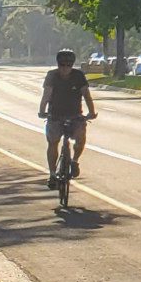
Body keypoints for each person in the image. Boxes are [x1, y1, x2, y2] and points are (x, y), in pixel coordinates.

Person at [38, 49, 95, 188]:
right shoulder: (52, 76)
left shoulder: (78, 76)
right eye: (62, 65)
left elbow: (86, 95)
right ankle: (52, 174)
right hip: (55, 115)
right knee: (53, 142)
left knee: (81, 136)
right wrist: (42, 111)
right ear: (58, 65)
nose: (65, 68)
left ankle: (74, 161)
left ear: (72, 65)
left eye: (68, 65)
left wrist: (91, 112)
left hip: (75, 115)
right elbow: (46, 95)